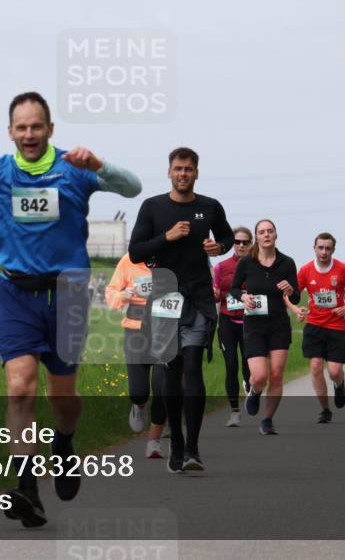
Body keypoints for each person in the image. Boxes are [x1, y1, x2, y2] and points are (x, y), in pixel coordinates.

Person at [0, 91, 141, 527]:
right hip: (16, 295)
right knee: (20, 386)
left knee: (62, 397)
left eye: (36, 126)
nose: (29, 134)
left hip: (67, 296)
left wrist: (99, 165)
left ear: (50, 130)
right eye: (21, 127)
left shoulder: (74, 170)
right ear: (10, 132)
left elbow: (132, 187)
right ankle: (27, 490)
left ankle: (64, 445)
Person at [129, 147, 234, 473]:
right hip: (165, 296)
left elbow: (228, 238)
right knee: (171, 371)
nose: (183, 174)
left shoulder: (209, 208)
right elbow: (135, 252)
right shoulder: (153, 207)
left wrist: (220, 247)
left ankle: (192, 448)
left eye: (189, 169)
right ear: (169, 172)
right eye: (178, 169)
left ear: (196, 173)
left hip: (199, 296)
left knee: (192, 365)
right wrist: (167, 236)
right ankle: (175, 445)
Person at [229, 218, 299, 435]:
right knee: (259, 376)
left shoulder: (287, 263)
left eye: (270, 231)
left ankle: (267, 420)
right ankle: (255, 392)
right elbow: (233, 289)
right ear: (256, 237)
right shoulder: (246, 263)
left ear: (276, 235)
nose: (266, 235)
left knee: (276, 375)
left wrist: (289, 290)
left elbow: (295, 297)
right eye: (262, 232)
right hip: (255, 326)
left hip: (279, 324)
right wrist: (243, 296)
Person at [293, 233, 345, 424]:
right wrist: (296, 308)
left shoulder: (341, 269)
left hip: (337, 326)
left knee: (333, 371)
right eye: (320, 247)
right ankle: (325, 409)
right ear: (314, 248)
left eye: (328, 248)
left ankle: (339, 384)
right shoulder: (306, 270)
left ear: (333, 249)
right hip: (314, 325)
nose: (324, 252)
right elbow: (292, 295)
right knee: (315, 367)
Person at [105, 254, 166, 458]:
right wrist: (124, 295)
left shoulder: (170, 257)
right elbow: (111, 292)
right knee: (138, 390)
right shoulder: (128, 260)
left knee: (161, 387)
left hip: (165, 328)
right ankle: (139, 405)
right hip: (136, 328)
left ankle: (154, 442)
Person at [212, 226, 253, 427]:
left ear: (251, 244)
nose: (241, 246)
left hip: (250, 321)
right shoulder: (221, 266)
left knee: (248, 366)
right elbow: (216, 292)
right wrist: (215, 293)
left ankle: (249, 384)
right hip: (227, 320)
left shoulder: (257, 265)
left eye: (245, 242)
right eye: (237, 242)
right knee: (231, 365)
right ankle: (234, 411)